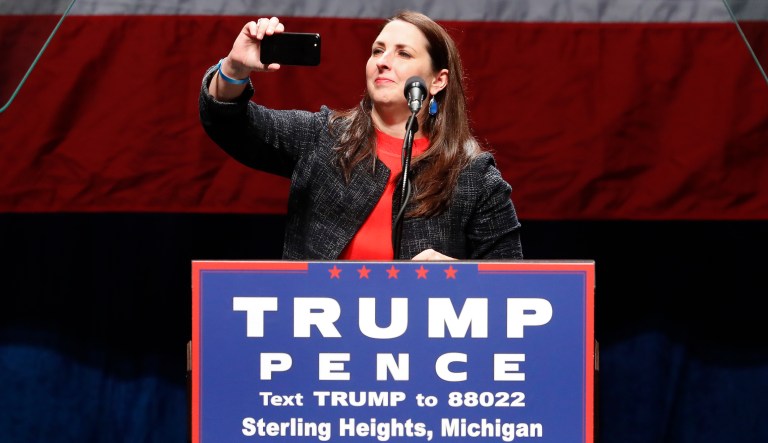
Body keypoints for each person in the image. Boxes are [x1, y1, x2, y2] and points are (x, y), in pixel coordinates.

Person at [199, 11, 523, 261]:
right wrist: (234, 70)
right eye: (377, 50)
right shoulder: (322, 138)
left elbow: (513, 285)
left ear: (438, 81)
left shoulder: (474, 177)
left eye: (403, 54)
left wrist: (458, 275)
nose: (382, 62)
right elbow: (229, 122)